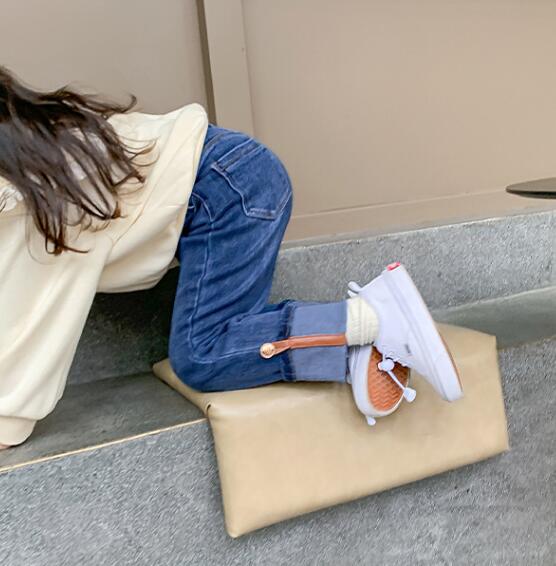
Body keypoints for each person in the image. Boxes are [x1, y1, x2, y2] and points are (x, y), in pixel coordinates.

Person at [0, 68, 463, 450]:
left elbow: (31, 318)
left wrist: (8, 421)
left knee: (201, 355)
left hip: (227, 192)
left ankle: (373, 318)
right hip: (231, 182)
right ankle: (352, 345)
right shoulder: (40, 149)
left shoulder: (24, 197)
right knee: (211, 345)